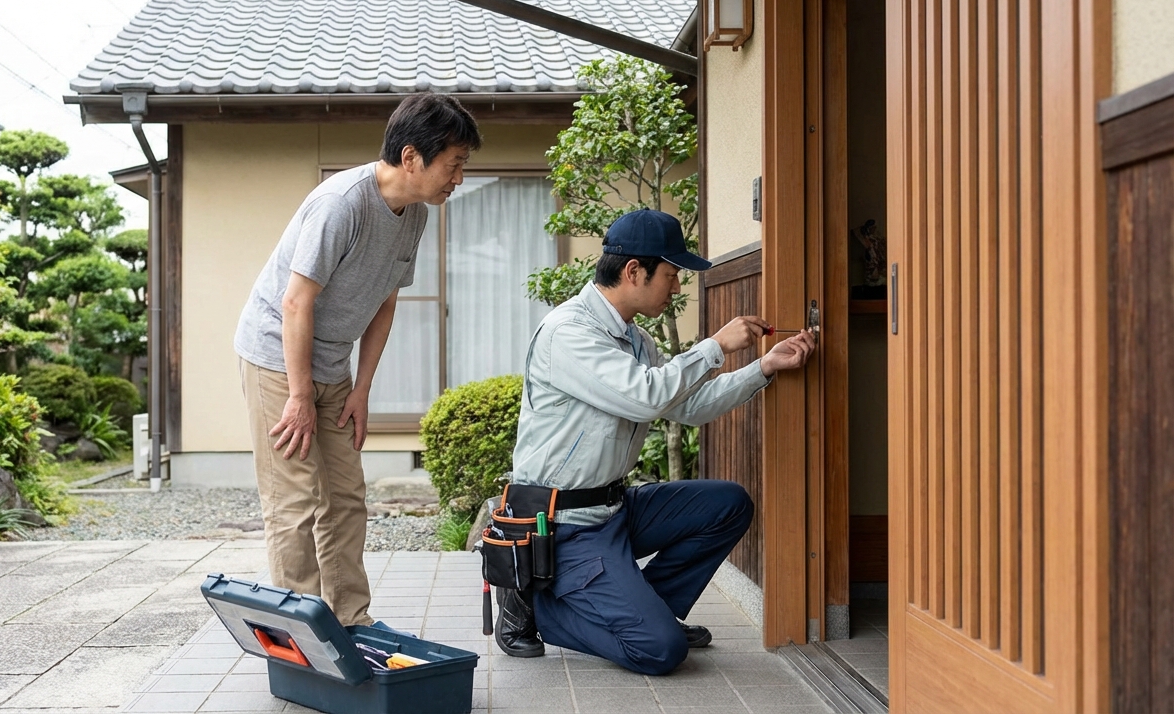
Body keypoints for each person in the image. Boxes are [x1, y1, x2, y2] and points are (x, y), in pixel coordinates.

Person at [496, 208, 816, 674]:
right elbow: (646, 397)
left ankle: (651, 610)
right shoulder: (570, 332)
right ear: (633, 272)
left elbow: (687, 406)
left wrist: (764, 367)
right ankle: (539, 608)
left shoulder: (633, 337)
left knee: (728, 503)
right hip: (564, 524)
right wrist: (716, 346)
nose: (677, 286)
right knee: (660, 650)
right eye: (671, 274)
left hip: (614, 509)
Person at [234, 93, 482, 627]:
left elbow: (385, 301)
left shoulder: (414, 213)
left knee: (346, 496)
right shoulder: (342, 203)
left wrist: (361, 388)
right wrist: (300, 396)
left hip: (332, 365)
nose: (458, 178)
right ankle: (300, 632)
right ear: (412, 156)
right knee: (295, 501)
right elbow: (296, 302)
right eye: (454, 165)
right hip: (277, 357)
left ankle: (349, 619)